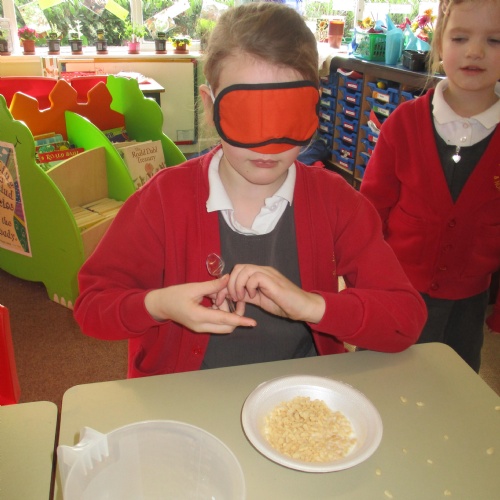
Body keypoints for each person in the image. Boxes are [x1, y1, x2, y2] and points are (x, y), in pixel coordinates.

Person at [74, 2, 426, 378]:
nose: (267, 145)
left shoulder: (338, 203)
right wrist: (159, 304)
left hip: (299, 395)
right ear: (211, 107)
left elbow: (405, 320)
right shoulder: (163, 200)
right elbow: (92, 308)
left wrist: (312, 306)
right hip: (186, 394)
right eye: (246, 115)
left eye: (287, 114)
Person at [360, 0, 500, 372]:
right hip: (397, 291)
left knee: (450, 384)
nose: (475, 51)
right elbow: (371, 210)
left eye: (494, 40)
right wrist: (365, 278)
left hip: (466, 307)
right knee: (380, 377)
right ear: (439, 44)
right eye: (460, 38)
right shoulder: (404, 124)